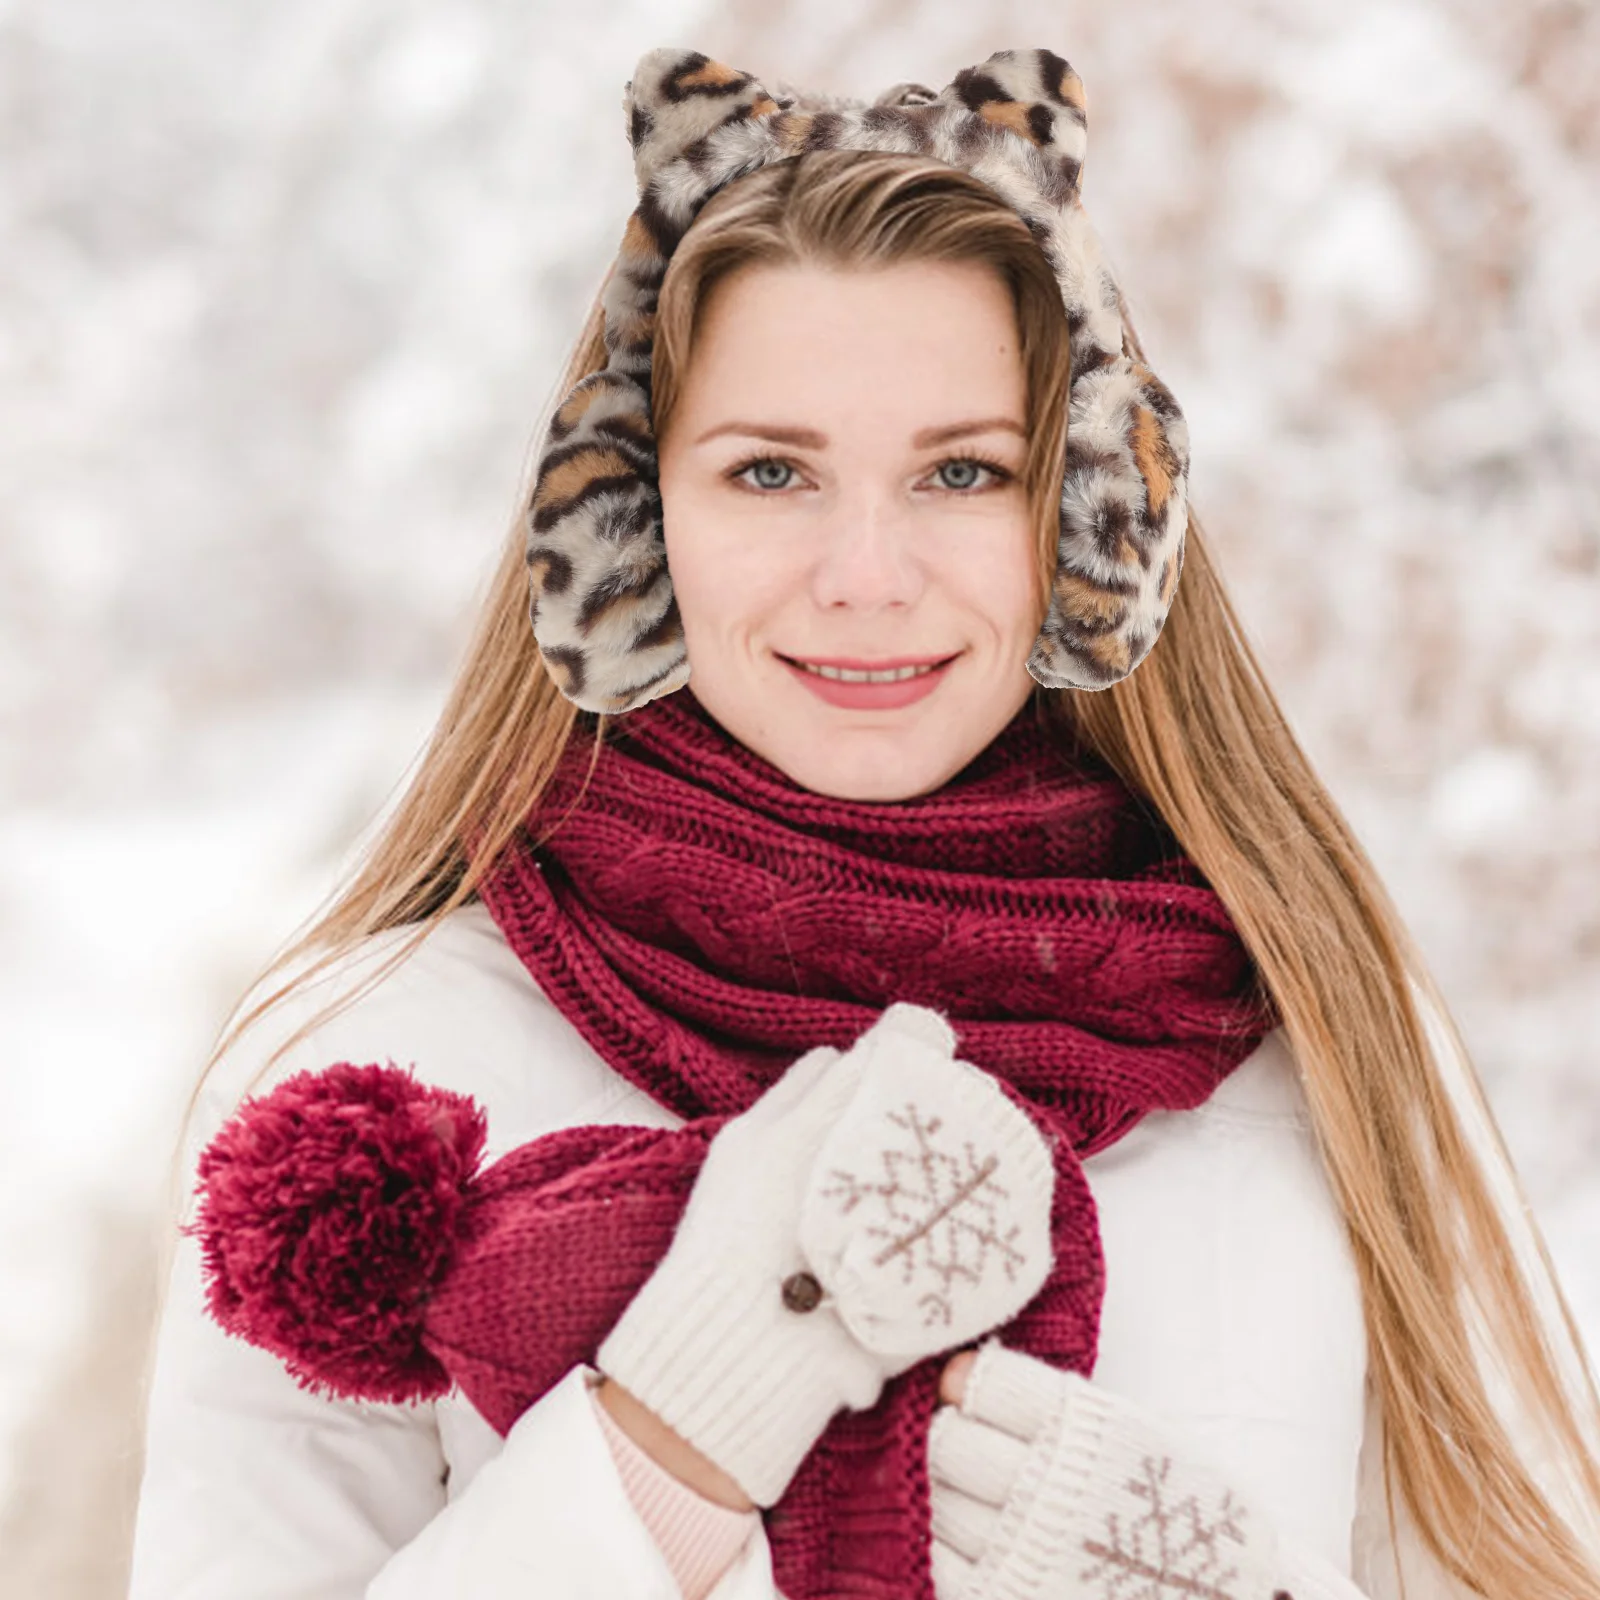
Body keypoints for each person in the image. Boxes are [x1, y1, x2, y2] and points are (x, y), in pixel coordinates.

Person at [126, 45, 1600, 1600]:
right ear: (632, 519)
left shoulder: (1318, 1035)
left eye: (963, 472)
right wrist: (663, 1457)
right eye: (772, 472)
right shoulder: (379, 1076)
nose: (867, 574)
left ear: (1088, 521)